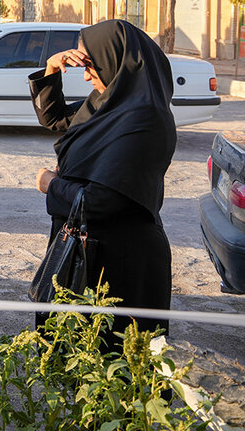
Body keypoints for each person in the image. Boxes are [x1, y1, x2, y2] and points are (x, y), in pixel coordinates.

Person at [29, 19, 174, 336]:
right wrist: (53, 67)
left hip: (123, 261)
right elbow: (55, 119)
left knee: (116, 366)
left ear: (115, 60)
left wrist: (51, 184)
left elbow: (102, 201)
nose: (84, 74)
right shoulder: (108, 104)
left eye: (90, 64)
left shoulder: (144, 120)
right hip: (91, 250)